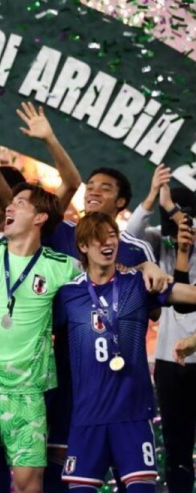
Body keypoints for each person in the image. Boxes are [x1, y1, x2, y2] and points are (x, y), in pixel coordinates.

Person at [0, 123, 169, 493]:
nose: (8, 207)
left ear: (40, 217)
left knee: (28, 485)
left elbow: (107, 271)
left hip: (28, 394)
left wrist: (146, 266)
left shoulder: (61, 266)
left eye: (19, 204)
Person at [57, 212, 196, 492]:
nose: (107, 242)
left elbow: (190, 295)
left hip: (132, 415)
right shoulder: (67, 295)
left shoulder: (138, 283)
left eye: (112, 236)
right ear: (82, 246)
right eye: (99, 237)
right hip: (86, 418)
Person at [125, 168, 196, 493]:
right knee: (176, 445)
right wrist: (153, 198)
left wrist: (174, 210)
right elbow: (130, 234)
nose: (178, 234)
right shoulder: (158, 242)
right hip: (169, 359)